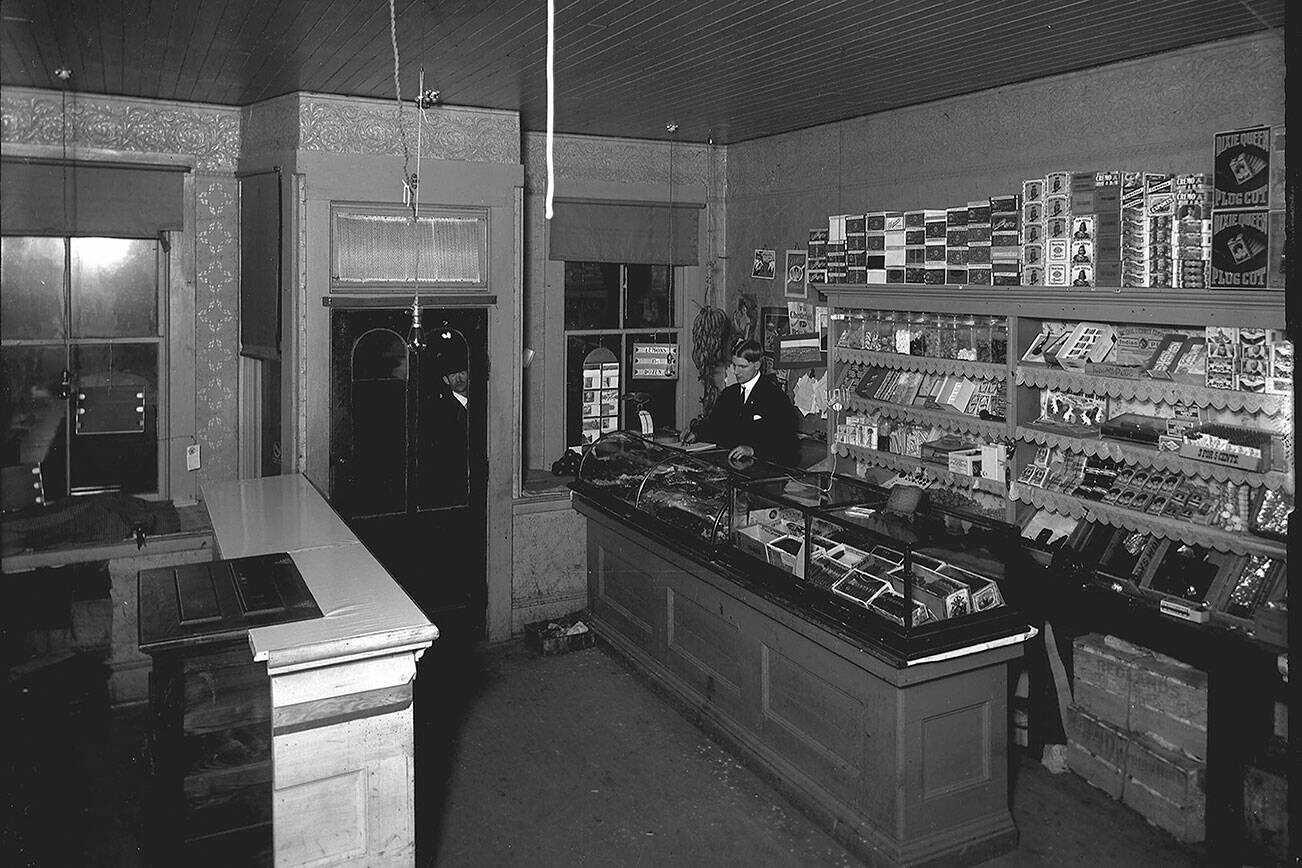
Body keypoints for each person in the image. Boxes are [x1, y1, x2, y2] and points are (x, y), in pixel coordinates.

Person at [684, 338, 799, 466]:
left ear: (757, 365)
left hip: (761, 469)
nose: (736, 371)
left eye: (742, 367)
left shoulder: (775, 397)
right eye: (734, 365)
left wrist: (753, 450)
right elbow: (715, 425)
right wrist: (697, 433)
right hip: (730, 465)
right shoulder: (729, 394)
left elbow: (786, 441)